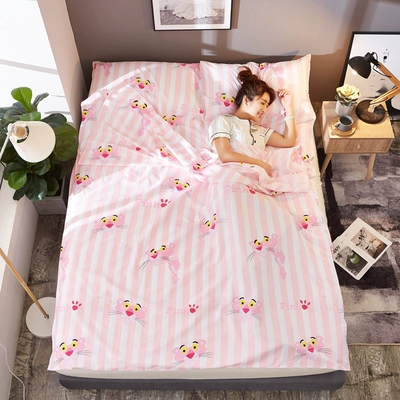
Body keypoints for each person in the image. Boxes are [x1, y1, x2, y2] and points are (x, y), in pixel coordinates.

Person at [209, 67, 296, 175]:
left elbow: (288, 141)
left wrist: (289, 108)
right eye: (263, 103)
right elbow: (224, 155)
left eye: (267, 106)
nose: (265, 109)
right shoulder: (224, 121)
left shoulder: (260, 131)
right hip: (231, 174)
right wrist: (260, 164)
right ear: (246, 100)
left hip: (257, 177)